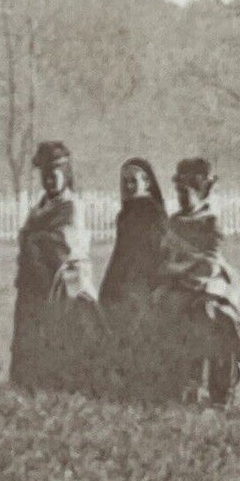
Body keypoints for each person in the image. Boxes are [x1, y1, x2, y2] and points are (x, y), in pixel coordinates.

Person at [9, 142, 103, 394]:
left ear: (67, 173)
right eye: (45, 174)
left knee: (64, 329)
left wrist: (36, 240)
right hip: (36, 278)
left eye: (56, 173)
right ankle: (28, 384)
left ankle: (63, 385)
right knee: (31, 331)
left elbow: (65, 242)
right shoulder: (41, 206)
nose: (50, 179)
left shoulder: (71, 206)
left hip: (65, 277)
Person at [158, 158, 240, 406]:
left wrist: (183, 268)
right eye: (178, 192)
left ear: (201, 191)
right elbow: (165, 258)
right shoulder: (174, 222)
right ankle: (182, 386)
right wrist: (177, 270)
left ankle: (222, 392)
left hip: (210, 283)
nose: (182, 198)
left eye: (187, 192)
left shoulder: (211, 221)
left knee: (214, 318)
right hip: (179, 283)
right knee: (167, 315)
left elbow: (209, 262)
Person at [99, 157, 171, 399]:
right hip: (121, 284)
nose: (128, 186)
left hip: (140, 286)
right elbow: (120, 253)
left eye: (133, 181)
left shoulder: (152, 213)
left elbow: (158, 253)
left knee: (137, 339)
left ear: (147, 182)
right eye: (124, 181)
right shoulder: (125, 214)